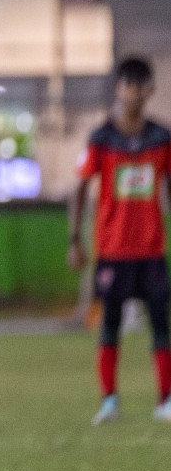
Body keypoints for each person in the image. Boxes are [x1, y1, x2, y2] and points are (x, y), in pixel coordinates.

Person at [68, 57, 171, 424]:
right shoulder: (101, 138)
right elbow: (80, 188)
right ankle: (109, 400)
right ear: (118, 89)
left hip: (152, 249)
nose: (133, 93)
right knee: (110, 325)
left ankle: (166, 400)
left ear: (150, 91)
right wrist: (74, 241)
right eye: (127, 85)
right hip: (112, 250)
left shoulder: (161, 138)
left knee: (161, 325)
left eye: (140, 86)